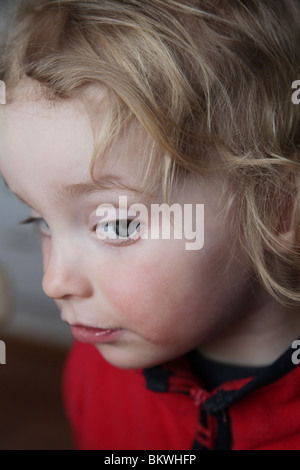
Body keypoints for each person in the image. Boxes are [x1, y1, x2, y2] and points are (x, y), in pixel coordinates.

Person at [0, 0, 300, 450]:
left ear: (280, 205)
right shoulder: (94, 367)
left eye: (117, 225)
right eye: (40, 220)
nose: (54, 282)